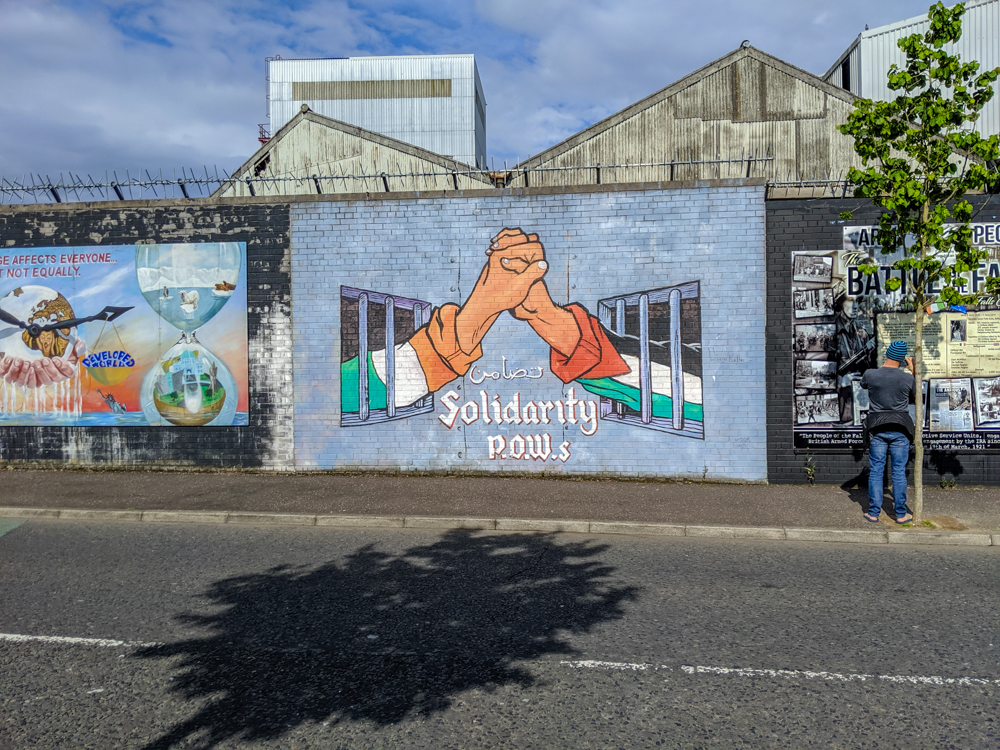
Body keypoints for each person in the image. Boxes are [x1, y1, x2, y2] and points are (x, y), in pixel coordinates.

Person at [861, 340, 916, 524]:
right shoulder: (907, 378)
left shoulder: (871, 375)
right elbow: (917, 397)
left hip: (877, 427)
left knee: (876, 470)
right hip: (901, 428)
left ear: (887, 354)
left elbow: (863, 385)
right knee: (899, 471)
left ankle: (873, 513)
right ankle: (901, 514)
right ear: (902, 359)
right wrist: (913, 369)